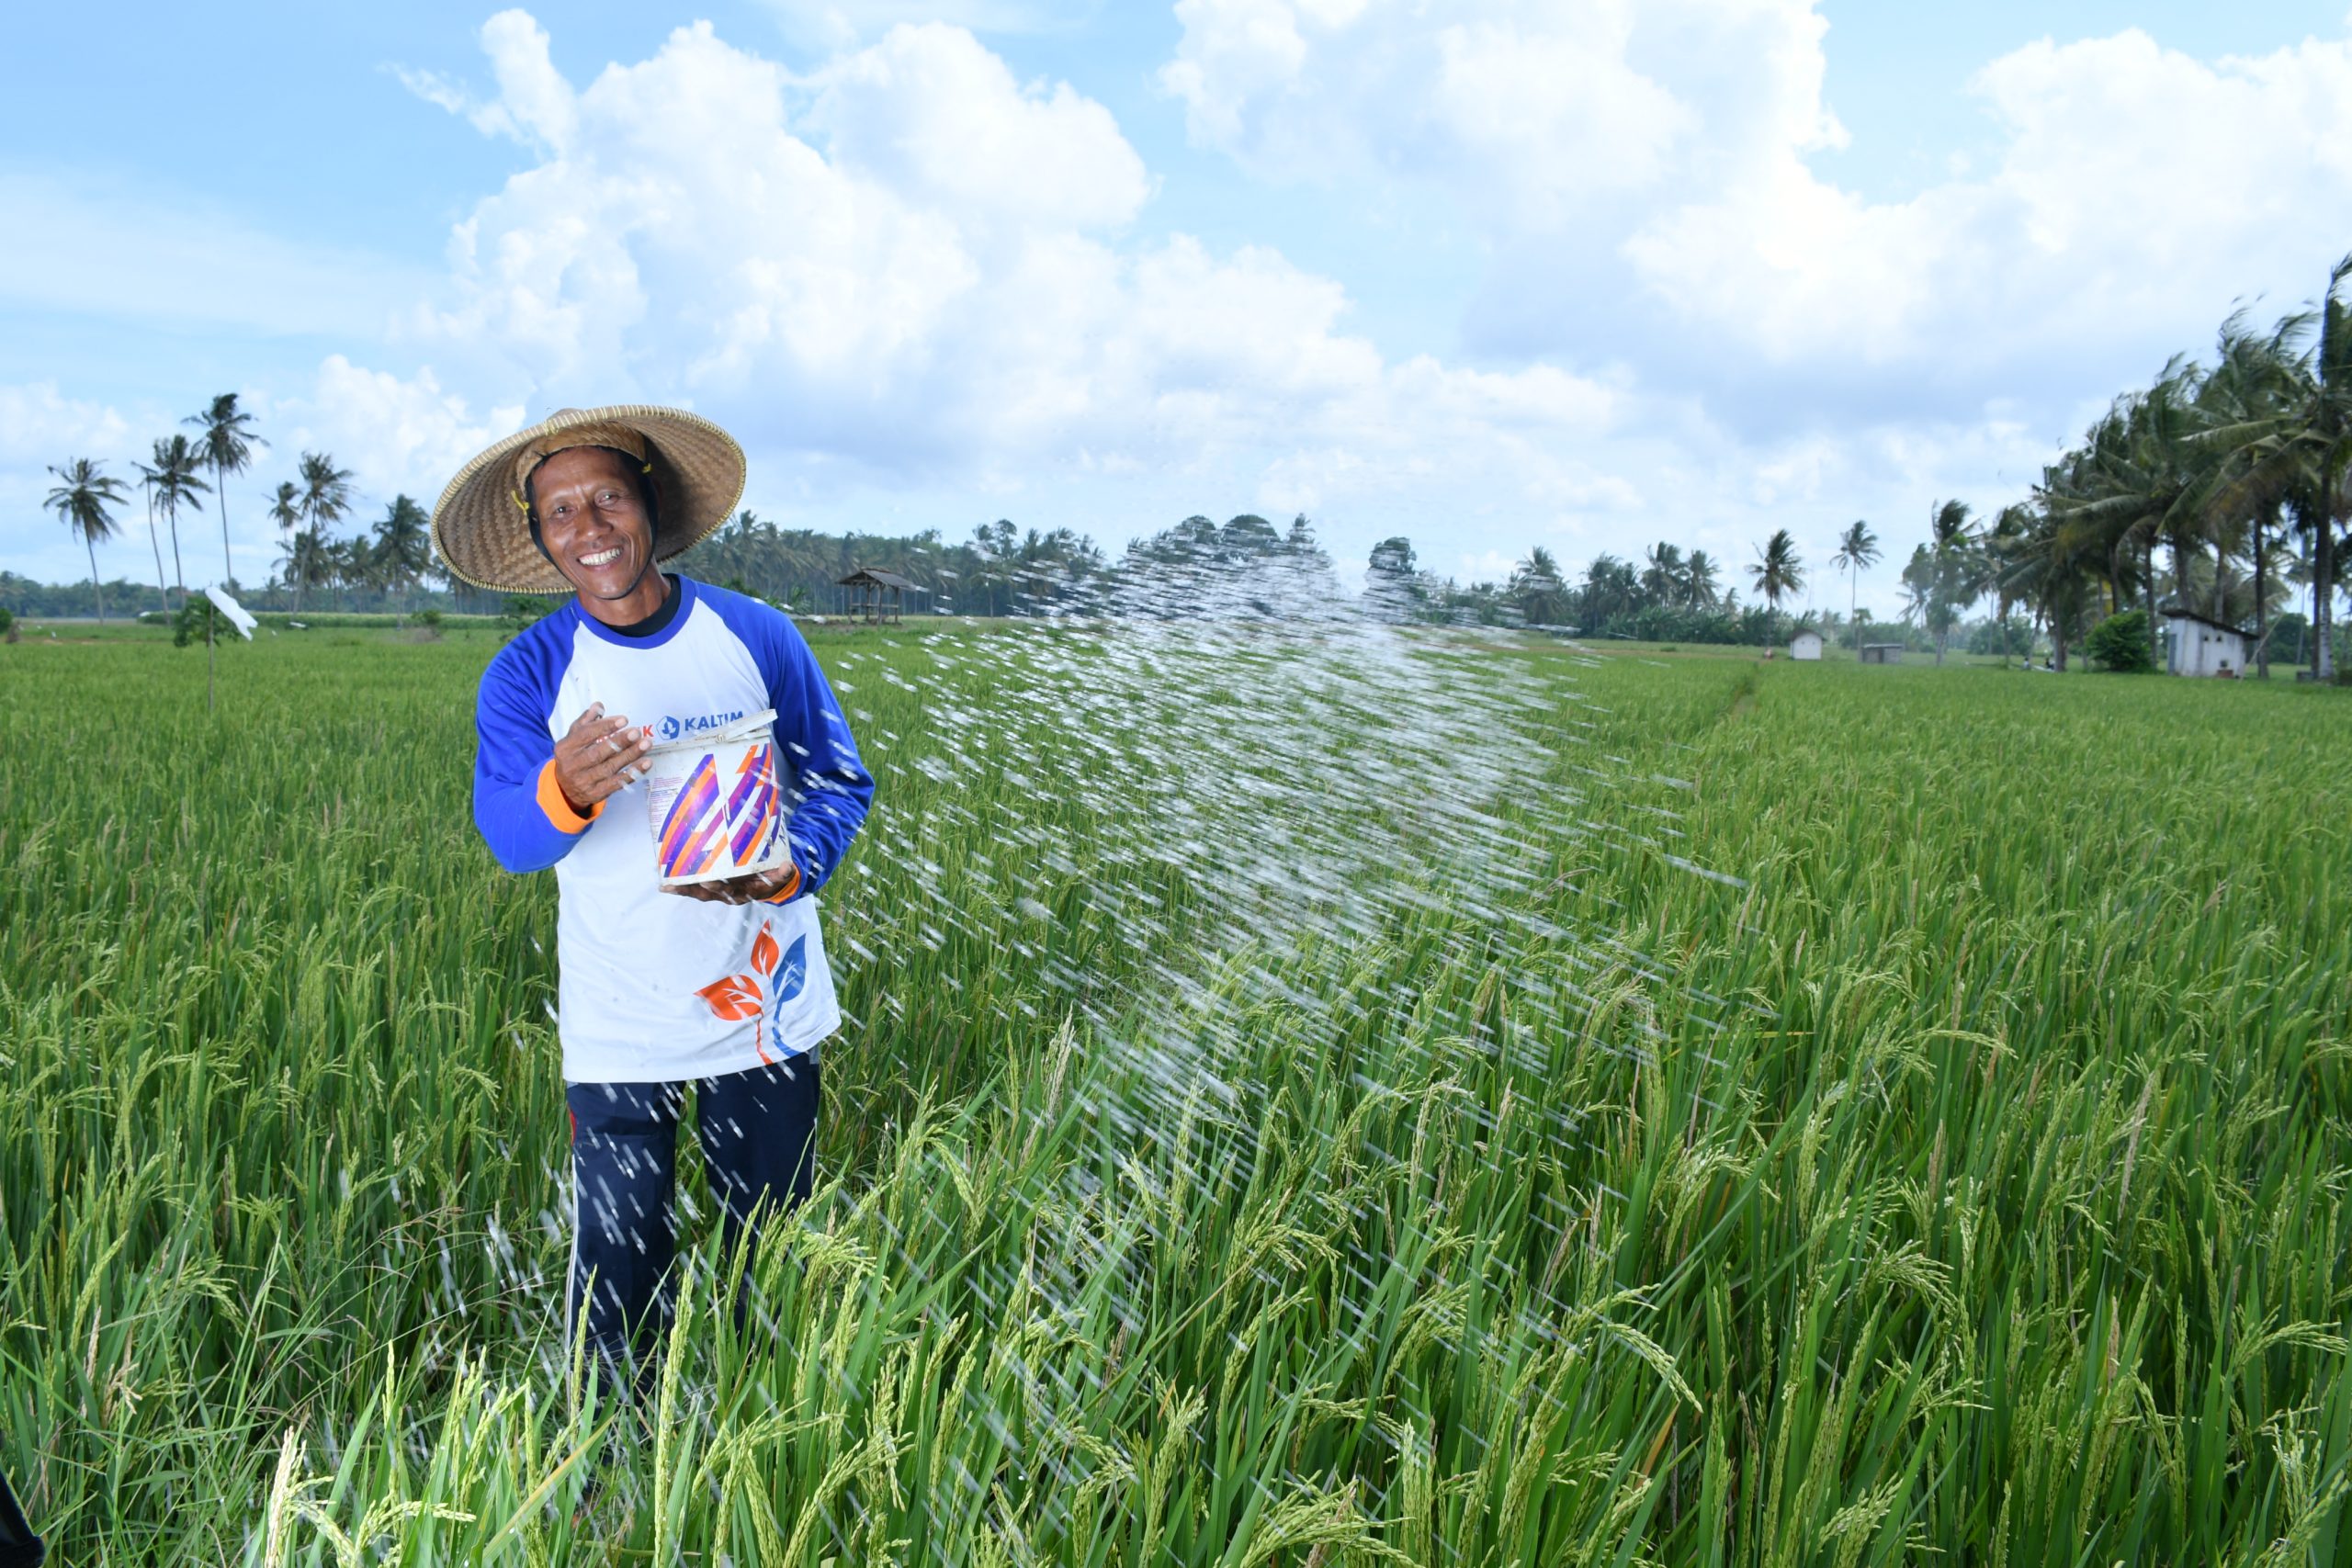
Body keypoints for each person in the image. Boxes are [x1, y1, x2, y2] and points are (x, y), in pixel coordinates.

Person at [433, 406, 874, 1393]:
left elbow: (840, 779)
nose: (586, 527)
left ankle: (770, 1432)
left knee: (775, 1251)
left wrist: (794, 863)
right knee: (622, 1268)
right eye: (559, 512)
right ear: (542, 539)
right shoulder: (528, 674)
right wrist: (567, 787)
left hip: (763, 1006)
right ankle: (614, 1468)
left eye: (606, 499)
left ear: (648, 507)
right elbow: (510, 836)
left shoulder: (755, 634)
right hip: (621, 1018)